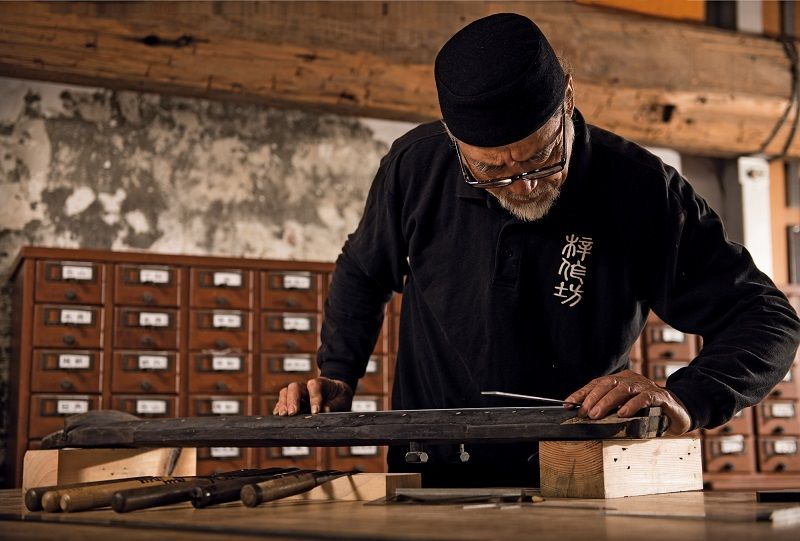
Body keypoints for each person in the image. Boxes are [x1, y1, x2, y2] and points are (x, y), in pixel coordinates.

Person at [273, 13, 800, 486]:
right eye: (492, 171)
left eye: (543, 159)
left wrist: (688, 396)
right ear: (456, 142)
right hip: (429, 465)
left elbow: (767, 319)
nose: (523, 187)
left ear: (568, 96)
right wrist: (337, 371)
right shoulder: (416, 167)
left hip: (578, 468)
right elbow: (364, 270)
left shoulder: (643, 191)